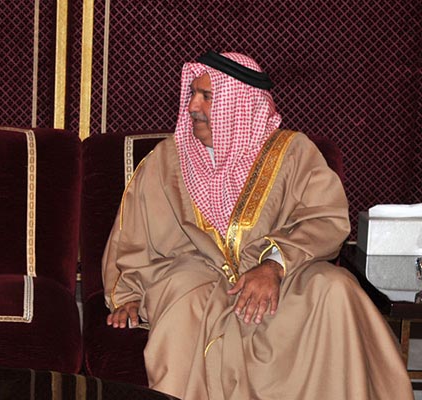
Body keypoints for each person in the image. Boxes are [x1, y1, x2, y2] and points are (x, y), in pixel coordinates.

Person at [102, 52, 412, 399]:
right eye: (191, 94)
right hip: (197, 280)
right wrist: (129, 296)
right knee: (183, 299)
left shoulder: (293, 153)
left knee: (334, 288)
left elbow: (326, 219)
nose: (192, 106)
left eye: (206, 97)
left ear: (239, 105)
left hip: (284, 275)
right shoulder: (166, 161)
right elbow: (134, 238)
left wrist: (274, 266)